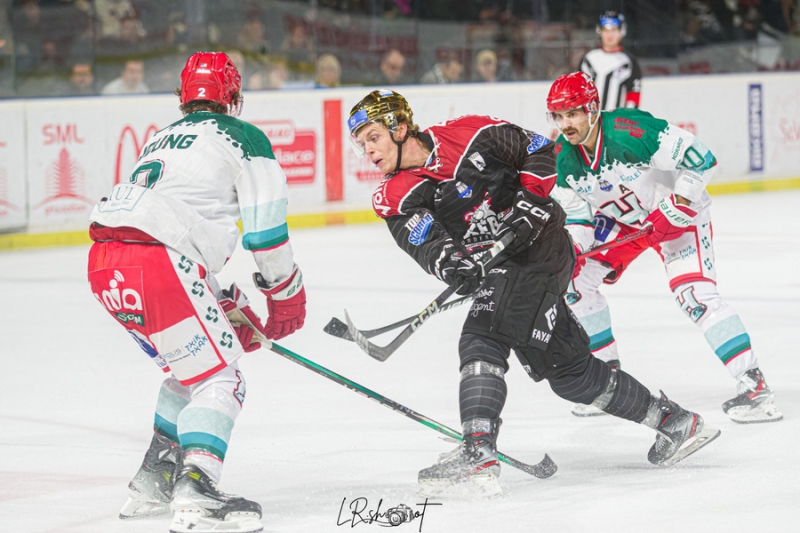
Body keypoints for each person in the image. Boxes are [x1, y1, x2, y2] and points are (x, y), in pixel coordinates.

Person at [347, 89, 719, 496]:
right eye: (361, 143)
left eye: (373, 137)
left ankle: (478, 448)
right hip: (501, 271)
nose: (368, 150)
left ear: (400, 128)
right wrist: (455, 266)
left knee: (482, 336)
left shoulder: (470, 132)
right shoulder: (393, 195)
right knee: (571, 376)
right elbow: (425, 243)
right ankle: (674, 423)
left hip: (541, 250)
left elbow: (538, 149)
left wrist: (529, 201)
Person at [86, 51, 307, 533]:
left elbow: (171, 222)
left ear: (182, 97)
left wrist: (217, 300)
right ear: (233, 97)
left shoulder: (160, 139)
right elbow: (266, 235)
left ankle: (156, 478)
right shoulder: (241, 136)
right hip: (159, 260)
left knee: (192, 370)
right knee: (222, 379)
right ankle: (197, 486)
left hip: (107, 263)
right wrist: (285, 294)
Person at [546, 72, 783, 424]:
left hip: (678, 217)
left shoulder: (632, 130)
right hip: (626, 223)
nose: (566, 124)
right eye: (559, 115)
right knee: (575, 281)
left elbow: (702, 159)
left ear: (593, 109)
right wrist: (573, 249)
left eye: (574, 113)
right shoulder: (564, 160)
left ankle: (754, 386)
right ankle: (606, 382)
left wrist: (676, 206)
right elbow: (580, 220)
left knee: (695, 297)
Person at [579, 11, 642, 111]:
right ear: (599, 31)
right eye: (606, 30)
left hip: (616, 123)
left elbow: (634, 94)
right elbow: (577, 90)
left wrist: (628, 116)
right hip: (590, 122)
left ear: (622, 32)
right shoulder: (589, 59)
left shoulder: (628, 62)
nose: (610, 35)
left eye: (614, 30)